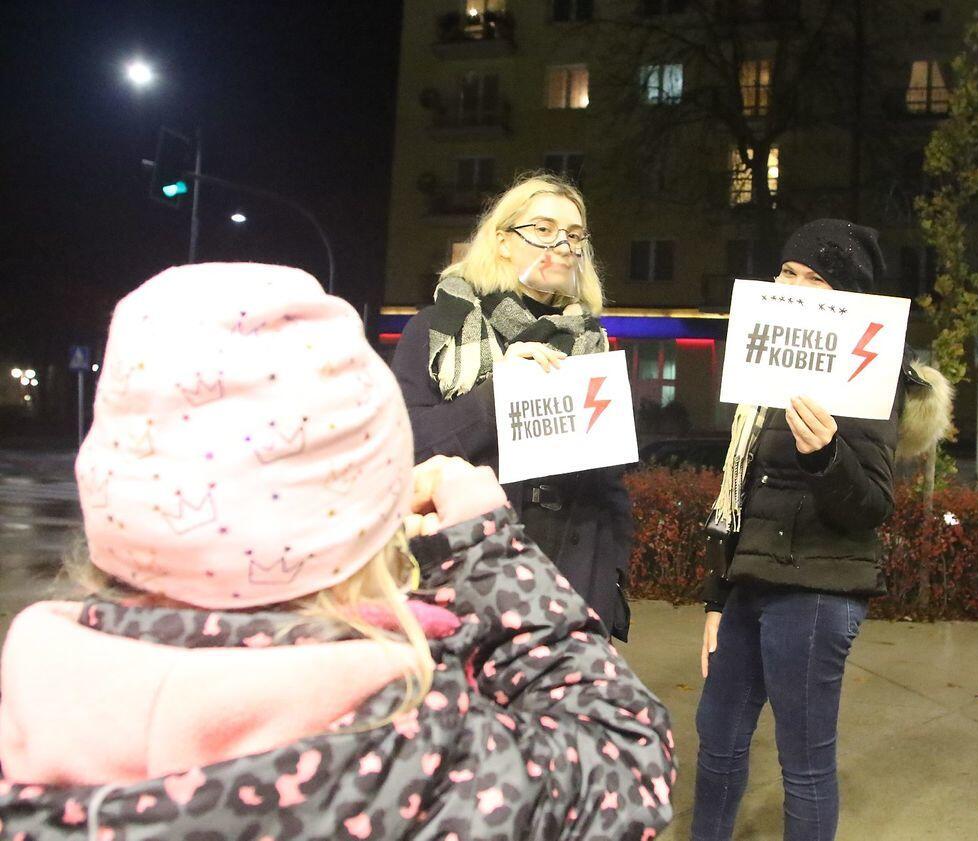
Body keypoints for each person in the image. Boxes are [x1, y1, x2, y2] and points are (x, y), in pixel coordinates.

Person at [0, 263, 675, 839]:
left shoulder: (26, 724)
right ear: (375, 523)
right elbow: (626, 757)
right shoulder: (408, 757)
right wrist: (489, 549)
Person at [691, 220, 953, 841]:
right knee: (718, 736)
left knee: (803, 762)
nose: (795, 286)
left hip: (818, 592)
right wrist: (717, 599)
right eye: (789, 272)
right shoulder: (765, 378)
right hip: (751, 582)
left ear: (846, 299)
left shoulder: (867, 376)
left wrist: (827, 455)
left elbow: (872, 505)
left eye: (817, 279)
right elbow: (741, 496)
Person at [392, 173, 634, 641]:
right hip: (465, 582)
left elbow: (610, 486)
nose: (562, 245)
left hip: (573, 585)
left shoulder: (592, 341)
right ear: (502, 241)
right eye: (543, 229)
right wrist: (495, 395)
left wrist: (610, 582)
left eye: (575, 235)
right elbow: (406, 449)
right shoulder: (438, 329)